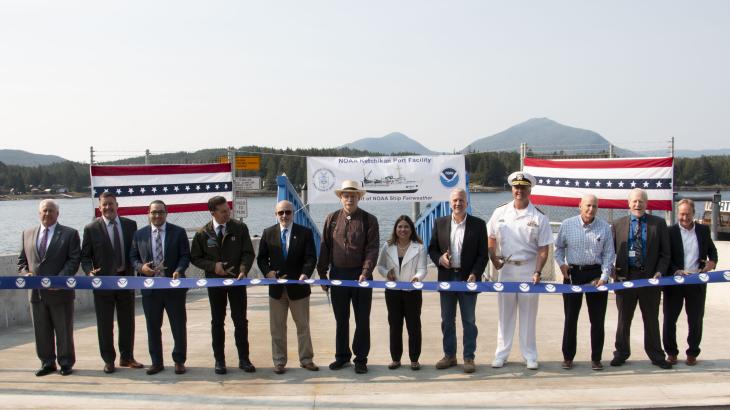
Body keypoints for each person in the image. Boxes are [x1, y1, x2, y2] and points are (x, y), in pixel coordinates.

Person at [487, 171, 552, 370]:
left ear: (529, 190)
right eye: (516, 187)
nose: (519, 191)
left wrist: (538, 271)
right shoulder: (500, 212)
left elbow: (543, 249)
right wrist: (493, 258)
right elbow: (491, 237)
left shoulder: (539, 217)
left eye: (523, 187)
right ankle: (501, 354)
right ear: (512, 189)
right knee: (505, 315)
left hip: (528, 270)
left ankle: (530, 355)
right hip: (507, 270)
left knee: (528, 315)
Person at [317, 180, 379, 374]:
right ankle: (342, 356)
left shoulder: (370, 220)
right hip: (337, 275)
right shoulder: (332, 218)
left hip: (360, 275)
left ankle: (360, 358)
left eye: (353, 195)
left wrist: (366, 272)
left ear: (359, 197)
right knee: (341, 319)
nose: (349, 198)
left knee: (362, 319)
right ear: (341, 198)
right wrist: (322, 274)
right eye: (346, 195)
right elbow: (325, 246)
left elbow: (372, 249)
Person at [190, 195, 256, 374]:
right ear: (213, 213)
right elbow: (195, 257)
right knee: (217, 322)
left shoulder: (240, 228)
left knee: (240, 321)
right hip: (215, 284)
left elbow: (248, 253)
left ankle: (244, 359)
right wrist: (213, 267)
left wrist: (243, 269)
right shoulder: (203, 233)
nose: (228, 213)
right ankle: (219, 360)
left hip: (237, 282)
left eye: (228, 210)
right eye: (223, 211)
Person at [81, 192, 144, 373]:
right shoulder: (91, 228)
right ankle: (109, 359)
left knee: (127, 322)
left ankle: (127, 357)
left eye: (111, 204)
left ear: (117, 205)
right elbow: (85, 257)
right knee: (105, 323)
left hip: (126, 280)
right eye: (104, 205)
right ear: (99, 207)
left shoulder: (130, 225)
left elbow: (135, 252)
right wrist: (89, 271)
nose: (108, 207)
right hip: (104, 284)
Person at [610, 188, 672, 369]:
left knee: (651, 319)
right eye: (635, 201)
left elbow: (665, 254)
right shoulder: (617, 224)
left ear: (647, 203)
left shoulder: (658, 224)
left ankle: (657, 355)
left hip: (650, 279)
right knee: (624, 319)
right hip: (625, 278)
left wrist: (660, 271)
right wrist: (611, 268)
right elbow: (609, 251)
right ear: (629, 203)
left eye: (641, 201)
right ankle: (621, 353)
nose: (638, 204)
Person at [18, 199, 81, 377]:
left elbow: (73, 260)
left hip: (60, 293)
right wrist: (25, 274)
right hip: (36, 294)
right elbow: (22, 262)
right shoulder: (27, 233)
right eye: (44, 211)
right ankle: (47, 362)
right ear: (39, 213)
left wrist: (59, 280)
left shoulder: (70, 234)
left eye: (51, 211)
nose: (47, 214)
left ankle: (66, 362)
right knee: (41, 331)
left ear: (57, 214)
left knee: (64, 331)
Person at [428, 188, 488, 374]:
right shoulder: (440, 223)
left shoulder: (478, 224)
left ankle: (469, 357)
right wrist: (440, 259)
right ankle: (449, 356)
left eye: (461, 200)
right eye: (454, 200)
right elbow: (432, 249)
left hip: (468, 279)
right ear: (450, 203)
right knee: (447, 320)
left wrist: (475, 273)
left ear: (466, 203)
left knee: (469, 320)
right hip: (447, 278)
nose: (458, 203)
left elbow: (482, 254)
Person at [554, 194, 615, 371]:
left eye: (594, 206)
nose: (591, 209)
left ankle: (596, 358)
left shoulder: (604, 227)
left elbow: (608, 255)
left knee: (597, 320)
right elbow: (558, 249)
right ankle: (568, 357)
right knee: (570, 318)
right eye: (588, 205)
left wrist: (604, 277)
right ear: (579, 206)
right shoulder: (567, 224)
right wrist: (561, 265)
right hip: (573, 274)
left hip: (596, 275)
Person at [129, 200, 191, 375]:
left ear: (166, 213)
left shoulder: (178, 232)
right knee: (153, 327)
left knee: (178, 326)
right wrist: (141, 268)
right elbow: (132, 257)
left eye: (160, 212)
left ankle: (179, 361)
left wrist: (179, 270)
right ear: (148, 214)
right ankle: (157, 362)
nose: (157, 215)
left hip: (174, 288)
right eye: (154, 212)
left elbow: (185, 256)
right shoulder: (139, 235)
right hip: (151, 290)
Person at [257, 200, 319, 374]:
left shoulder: (305, 233)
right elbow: (261, 258)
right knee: (277, 328)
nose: (284, 216)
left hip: (299, 289)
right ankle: (279, 361)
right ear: (275, 214)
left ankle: (306, 360)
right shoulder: (268, 233)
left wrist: (305, 273)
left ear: (293, 213)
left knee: (303, 327)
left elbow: (311, 258)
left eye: (288, 212)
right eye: (280, 213)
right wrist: (268, 273)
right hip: (276, 290)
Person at [663, 198, 718, 366]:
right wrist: (676, 270)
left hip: (696, 281)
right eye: (681, 214)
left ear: (694, 214)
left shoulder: (703, 230)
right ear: (677, 214)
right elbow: (666, 257)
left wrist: (712, 263)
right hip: (675, 282)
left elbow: (712, 251)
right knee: (669, 319)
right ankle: (671, 353)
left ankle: (692, 352)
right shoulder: (670, 231)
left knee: (695, 319)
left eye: (687, 214)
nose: (684, 217)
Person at [376, 215, 427, 371]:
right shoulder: (387, 246)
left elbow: (422, 269)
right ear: (395, 229)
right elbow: (380, 266)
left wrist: (417, 277)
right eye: (400, 227)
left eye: (406, 227)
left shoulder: (419, 247)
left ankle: (414, 359)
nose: (403, 230)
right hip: (392, 292)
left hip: (412, 291)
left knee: (414, 326)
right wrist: (386, 273)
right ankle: (395, 359)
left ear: (411, 229)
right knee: (395, 325)